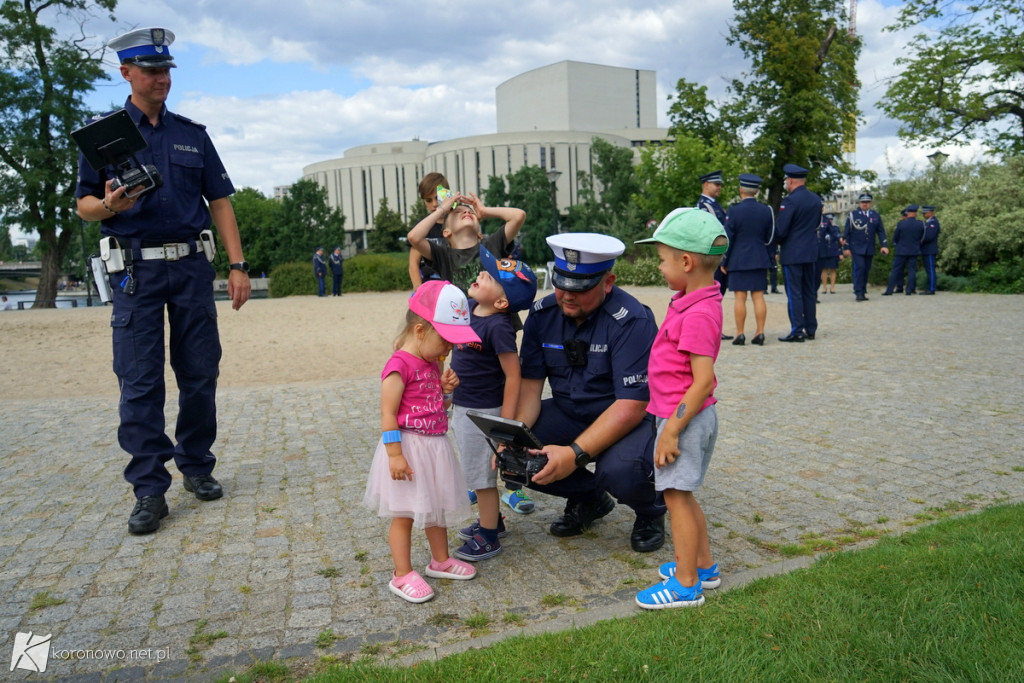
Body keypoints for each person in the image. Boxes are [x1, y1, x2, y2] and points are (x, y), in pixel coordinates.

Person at [74, 27, 251, 535]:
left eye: (166, 70)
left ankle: (196, 465)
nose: (160, 79)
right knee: (140, 380)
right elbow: (85, 205)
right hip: (135, 270)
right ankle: (150, 488)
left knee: (200, 371)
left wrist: (237, 266)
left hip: (191, 266)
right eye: (150, 71)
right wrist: (110, 205)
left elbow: (219, 201)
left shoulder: (192, 135)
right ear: (126, 73)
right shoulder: (102, 137)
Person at [516, 233, 667, 553]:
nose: (567, 296)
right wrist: (514, 434)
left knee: (621, 470)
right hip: (571, 413)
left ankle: (651, 510)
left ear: (608, 281)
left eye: (580, 288)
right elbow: (530, 389)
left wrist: (573, 454)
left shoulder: (631, 321)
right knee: (517, 458)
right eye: (561, 285)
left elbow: (631, 407)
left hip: (627, 420)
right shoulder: (542, 315)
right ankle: (590, 498)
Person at [362, 280, 481, 603]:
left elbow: (436, 408)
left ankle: (439, 559)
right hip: (409, 449)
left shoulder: (431, 363)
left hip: (435, 446)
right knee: (404, 514)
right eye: (446, 342)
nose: (449, 350)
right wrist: (395, 455)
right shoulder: (399, 366)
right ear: (419, 330)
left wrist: (446, 391)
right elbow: (388, 414)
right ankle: (401, 574)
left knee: (437, 508)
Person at [632, 207, 726, 609]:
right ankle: (703, 566)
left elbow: (702, 380)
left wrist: (670, 429)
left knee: (675, 497)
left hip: (683, 421)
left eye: (662, 259)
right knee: (683, 495)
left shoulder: (700, 312)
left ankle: (687, 584)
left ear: (685, 262)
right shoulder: (691, 299)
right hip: (679, 417)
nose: (659, 267)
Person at [451, 247, 539, 561]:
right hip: (463, 406)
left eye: (488, 277)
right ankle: (495, 521)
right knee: (474, 470)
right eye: (483, 271)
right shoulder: (471, 308)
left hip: (483, 412)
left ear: (502, 303)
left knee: (481, 478)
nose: (479, 275)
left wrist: (504, 425)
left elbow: (513, 376)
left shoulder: (499, 327)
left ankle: (489, 537)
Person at [407, 191, 525, 295]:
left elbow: (518, 216)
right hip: (463, 318)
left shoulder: (491, 245)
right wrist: (441, 210)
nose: (467, 213)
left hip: (497, 318)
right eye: (457, 212)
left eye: (471, 212)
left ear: (480, 233)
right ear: (446, 232)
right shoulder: (443, 256)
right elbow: (414, 237)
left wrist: (485, 211)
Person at [721, 173, 773, 346]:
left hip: (738, 259)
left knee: (740, 297)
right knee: (758, 296)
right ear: (757, 191)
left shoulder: (734, 210)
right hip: (759, 257)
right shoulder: (766, 210)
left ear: (741, 190)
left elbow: (728, 237)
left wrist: (724, 260)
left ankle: (740, 333)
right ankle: (760, 332)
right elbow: (770, 236)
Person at [775, 164, 823, 342]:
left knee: (794, 292)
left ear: (791, 180)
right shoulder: (815, 200)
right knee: (809, 291)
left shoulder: (790, 201)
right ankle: (811, 328)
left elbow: (782, 229)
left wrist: (776, 241)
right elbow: (817, 224)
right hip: (810, 251)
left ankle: (797, 330)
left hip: (793, 252)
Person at [696, 170, 733, 340]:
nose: (719, 187)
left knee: (717, 296)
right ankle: (708, 329)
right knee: (710, 296)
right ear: (706, 184)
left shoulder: (716, 206)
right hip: (712, 259)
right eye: (716, 184)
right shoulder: (703, 207)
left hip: (720, 258)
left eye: (720, 184)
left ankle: (715, 329)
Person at [843, 193, 889, 302]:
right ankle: (858, 292)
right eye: (863, 202)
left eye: (867, 202)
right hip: (857, 247)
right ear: (859, 203)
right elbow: (847, 233)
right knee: (860, 268)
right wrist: (846, 247)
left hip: (869, 247)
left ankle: (863, 290)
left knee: (866, 269)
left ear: (870, 203)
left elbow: (881, 231)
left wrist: (884, 245)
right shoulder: (853, 215)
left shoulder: (875, 215)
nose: (865, 204)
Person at [408, 172, 450, 289]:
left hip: (455, 283)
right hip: (430, 284)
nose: (435, 204)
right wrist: (418, 289)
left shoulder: (458, 223)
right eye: (429, 200)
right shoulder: (421, 228)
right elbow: (413, 264)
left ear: (447, 194)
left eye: (438, 198)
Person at [883, 205, 925, 296]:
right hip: (914, 249)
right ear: (916, 213)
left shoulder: (901, 224)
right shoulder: (920, 224)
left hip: (901, 250)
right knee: (912, 270)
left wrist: (897, 244)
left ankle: (889, 290)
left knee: (895, 270)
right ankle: (909, 290)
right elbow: (922, 237)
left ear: (907, 213)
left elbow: (896, 237)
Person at [817, 212, 843, 295]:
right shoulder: (821, 228)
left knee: (833, 269)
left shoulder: (835, 228)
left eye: (831, 219)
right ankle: (824, 287)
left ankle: (832, 287)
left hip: (833, 251)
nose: (830, 221)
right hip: (823, 251)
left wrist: (840, 252)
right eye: (828, 219)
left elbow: (839, 242)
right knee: (823, 270)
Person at [920, 206, 940, 294]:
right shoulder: (927, 223)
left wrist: (919, 240)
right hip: (926, 249)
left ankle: (931, 288)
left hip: (930, 249)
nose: (924, 214)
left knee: (931, 270)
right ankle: (929, 287)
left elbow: (929, 236)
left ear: (931, 212)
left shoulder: (933, 223)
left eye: (925, 213)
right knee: (928, 269)